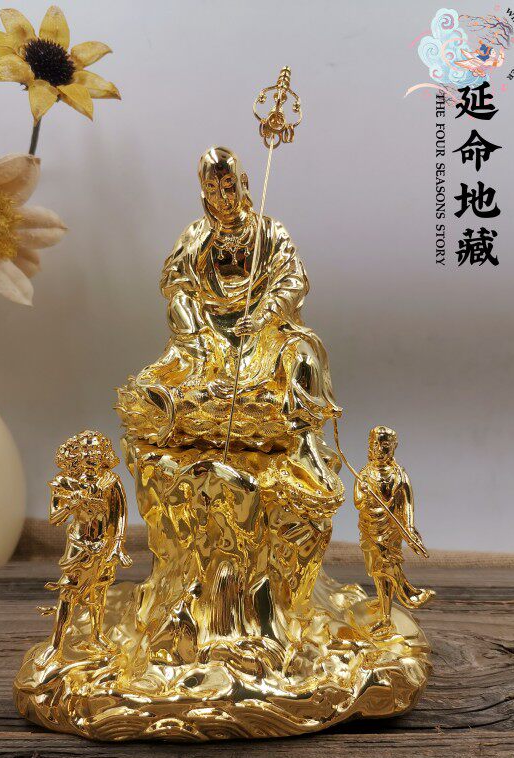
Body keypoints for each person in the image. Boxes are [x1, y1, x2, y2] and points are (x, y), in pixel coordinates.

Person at [117, 146, 342, 492]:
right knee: (174, 327)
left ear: (244, 182)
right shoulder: (196, 236)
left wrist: (264, 314)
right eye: (211, 189)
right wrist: (196, 325)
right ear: (202, 192)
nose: (222, 198)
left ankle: (304, 444)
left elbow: (293, 279)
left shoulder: (270, 232)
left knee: (304, 359)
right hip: (209, 341)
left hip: (262, 333)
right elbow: (174, 281)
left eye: (228, 186)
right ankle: (200, 400)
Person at [39, 430, 132, 664]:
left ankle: (96, 635)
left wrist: (117, 545)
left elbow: (119, 515)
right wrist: (72, 504)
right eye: (87, 451)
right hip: (78, 545)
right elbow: (54, 518)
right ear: (77, 454)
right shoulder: (65, 483)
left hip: (104, 545)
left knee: (99, 590)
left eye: (97, 451)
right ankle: (55, 644)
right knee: (68, 591)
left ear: (104, 455)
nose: (92, 456)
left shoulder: (110, 481)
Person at [354, 426, 434, 636]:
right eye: (375, 445)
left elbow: (407, 506)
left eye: (385, 446)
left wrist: (409, 529)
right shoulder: (365, 474)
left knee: (386, 569)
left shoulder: (399, 476)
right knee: (375, 570)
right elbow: (358, 502)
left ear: (393, 447)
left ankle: (387, 617)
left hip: (389, 531)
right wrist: (363, 490)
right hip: (369, 529)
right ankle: (392, 598)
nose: (379, 450)